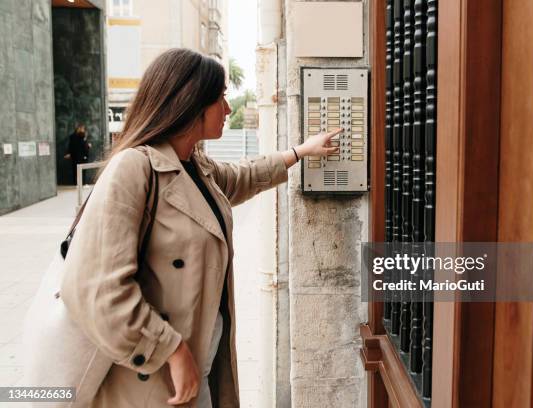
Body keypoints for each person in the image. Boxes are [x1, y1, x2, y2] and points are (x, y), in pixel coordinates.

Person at [58, 48, 340, 407]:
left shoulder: (194, 165)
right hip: (154, 381)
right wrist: (172, 350)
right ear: (191, 102)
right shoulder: (134, 168)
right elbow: (96, 288)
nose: (227, 108)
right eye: (220, 98)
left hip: (200, 369)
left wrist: (301, 152)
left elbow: (243, 176)